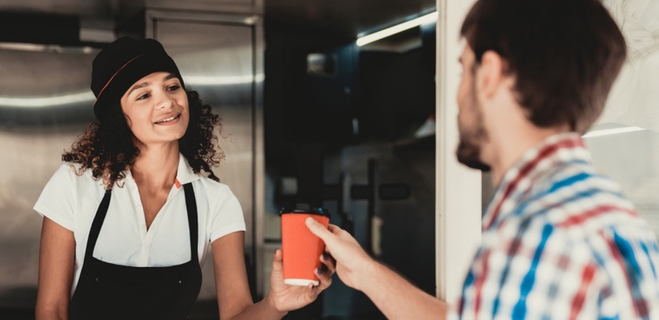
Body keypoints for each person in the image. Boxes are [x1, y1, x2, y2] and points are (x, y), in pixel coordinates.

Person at [306, 0, 659, 319]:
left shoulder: (540, 233)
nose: (456, 98)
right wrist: (367, 274)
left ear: (488, 74)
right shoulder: (614, 219)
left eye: (462, 71)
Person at [34, 37, 333, 320]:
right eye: (144, 94)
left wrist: (275, 304)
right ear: (118, 117)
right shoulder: (74, 184)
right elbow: (51, 311)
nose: (167, 102)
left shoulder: (216, 200)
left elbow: (236, 314)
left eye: (172, 87)